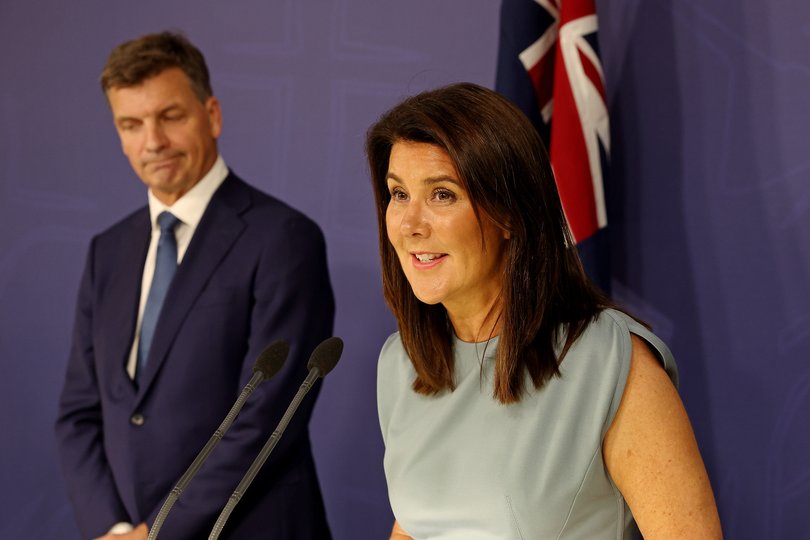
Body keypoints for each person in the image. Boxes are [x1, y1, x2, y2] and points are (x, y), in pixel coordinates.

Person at [367, 83, 722, 539]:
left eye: (442, 194)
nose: (411, 224)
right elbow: (416, 526)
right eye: (398, 194)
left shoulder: (608, 360)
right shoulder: (402, 362)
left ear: (509, 214)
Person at [55, 31, 334, 540]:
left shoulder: (284, 238)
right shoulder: (107, 252)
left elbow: (267, 419)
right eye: (131, 124)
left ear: (213, 115)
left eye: (170, 116)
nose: (152, 141)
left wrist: (156, 531)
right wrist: (114, 528)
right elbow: (79, 414)